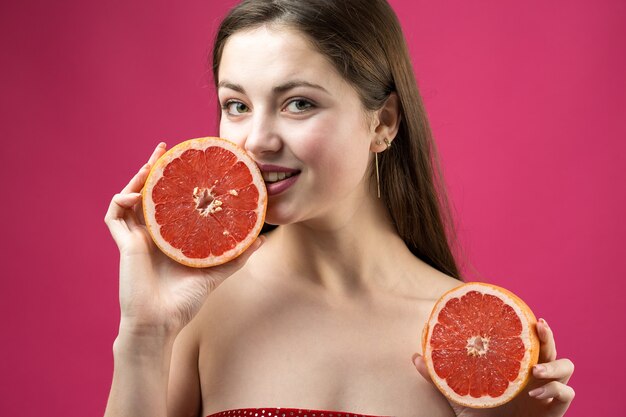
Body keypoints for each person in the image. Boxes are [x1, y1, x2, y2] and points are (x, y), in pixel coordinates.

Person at [103, 1, 575, 416]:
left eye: (298, 103)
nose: (257, 140)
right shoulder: (198, 313)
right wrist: (145, 335)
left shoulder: (471, 340)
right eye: (237, 105)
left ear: (383, 124)